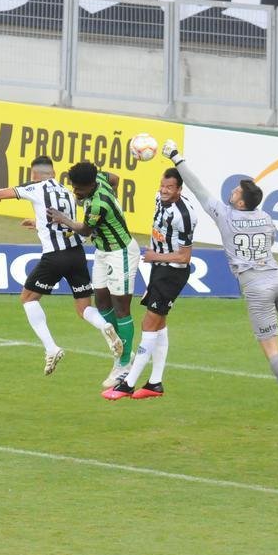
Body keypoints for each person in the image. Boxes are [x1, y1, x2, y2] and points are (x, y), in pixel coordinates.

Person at [159, 140, 278, 431]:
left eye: (237, 191)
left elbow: (197, 187)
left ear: (241, 203)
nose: (232, 191)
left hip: (256, 287)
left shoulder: (225, 216)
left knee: (273, 350)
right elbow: (272, 240)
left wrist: (176, 157)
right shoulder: (265, 217)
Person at [0, 156, 122, 375]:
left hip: (55, 256)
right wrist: (38, 223)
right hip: (77, 254)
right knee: (83, 308)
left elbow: (1, 194)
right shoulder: (68, 192)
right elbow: (64, 221)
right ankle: (104, 325)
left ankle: (51, 348)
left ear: (34, 174)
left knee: (28, 298)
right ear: (54, 173)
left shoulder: (36, 187)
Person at [103, 167, 198, 401]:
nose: (164, 191)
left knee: (149, 324)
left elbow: (185, 257)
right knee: (159, 324)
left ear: (179, 189)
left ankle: (128, 384)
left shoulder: (185, 215)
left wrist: (157, 256)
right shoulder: (159, 198)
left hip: (172, 273)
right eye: (162, 186)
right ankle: (155, 383)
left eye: (170, 188)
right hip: (159, 270)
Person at [46, 161, 138, 388]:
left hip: (120, 253)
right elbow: (115, 178)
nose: (75, 192)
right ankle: (124, 350)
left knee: (121, 307)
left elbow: (85, 230)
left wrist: (62, 218)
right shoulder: (101, 178)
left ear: (90, 185)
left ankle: (123, 364)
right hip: (102, 251)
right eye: (74, 187)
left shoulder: (99, 204)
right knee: (102, 302)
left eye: (79, 189)